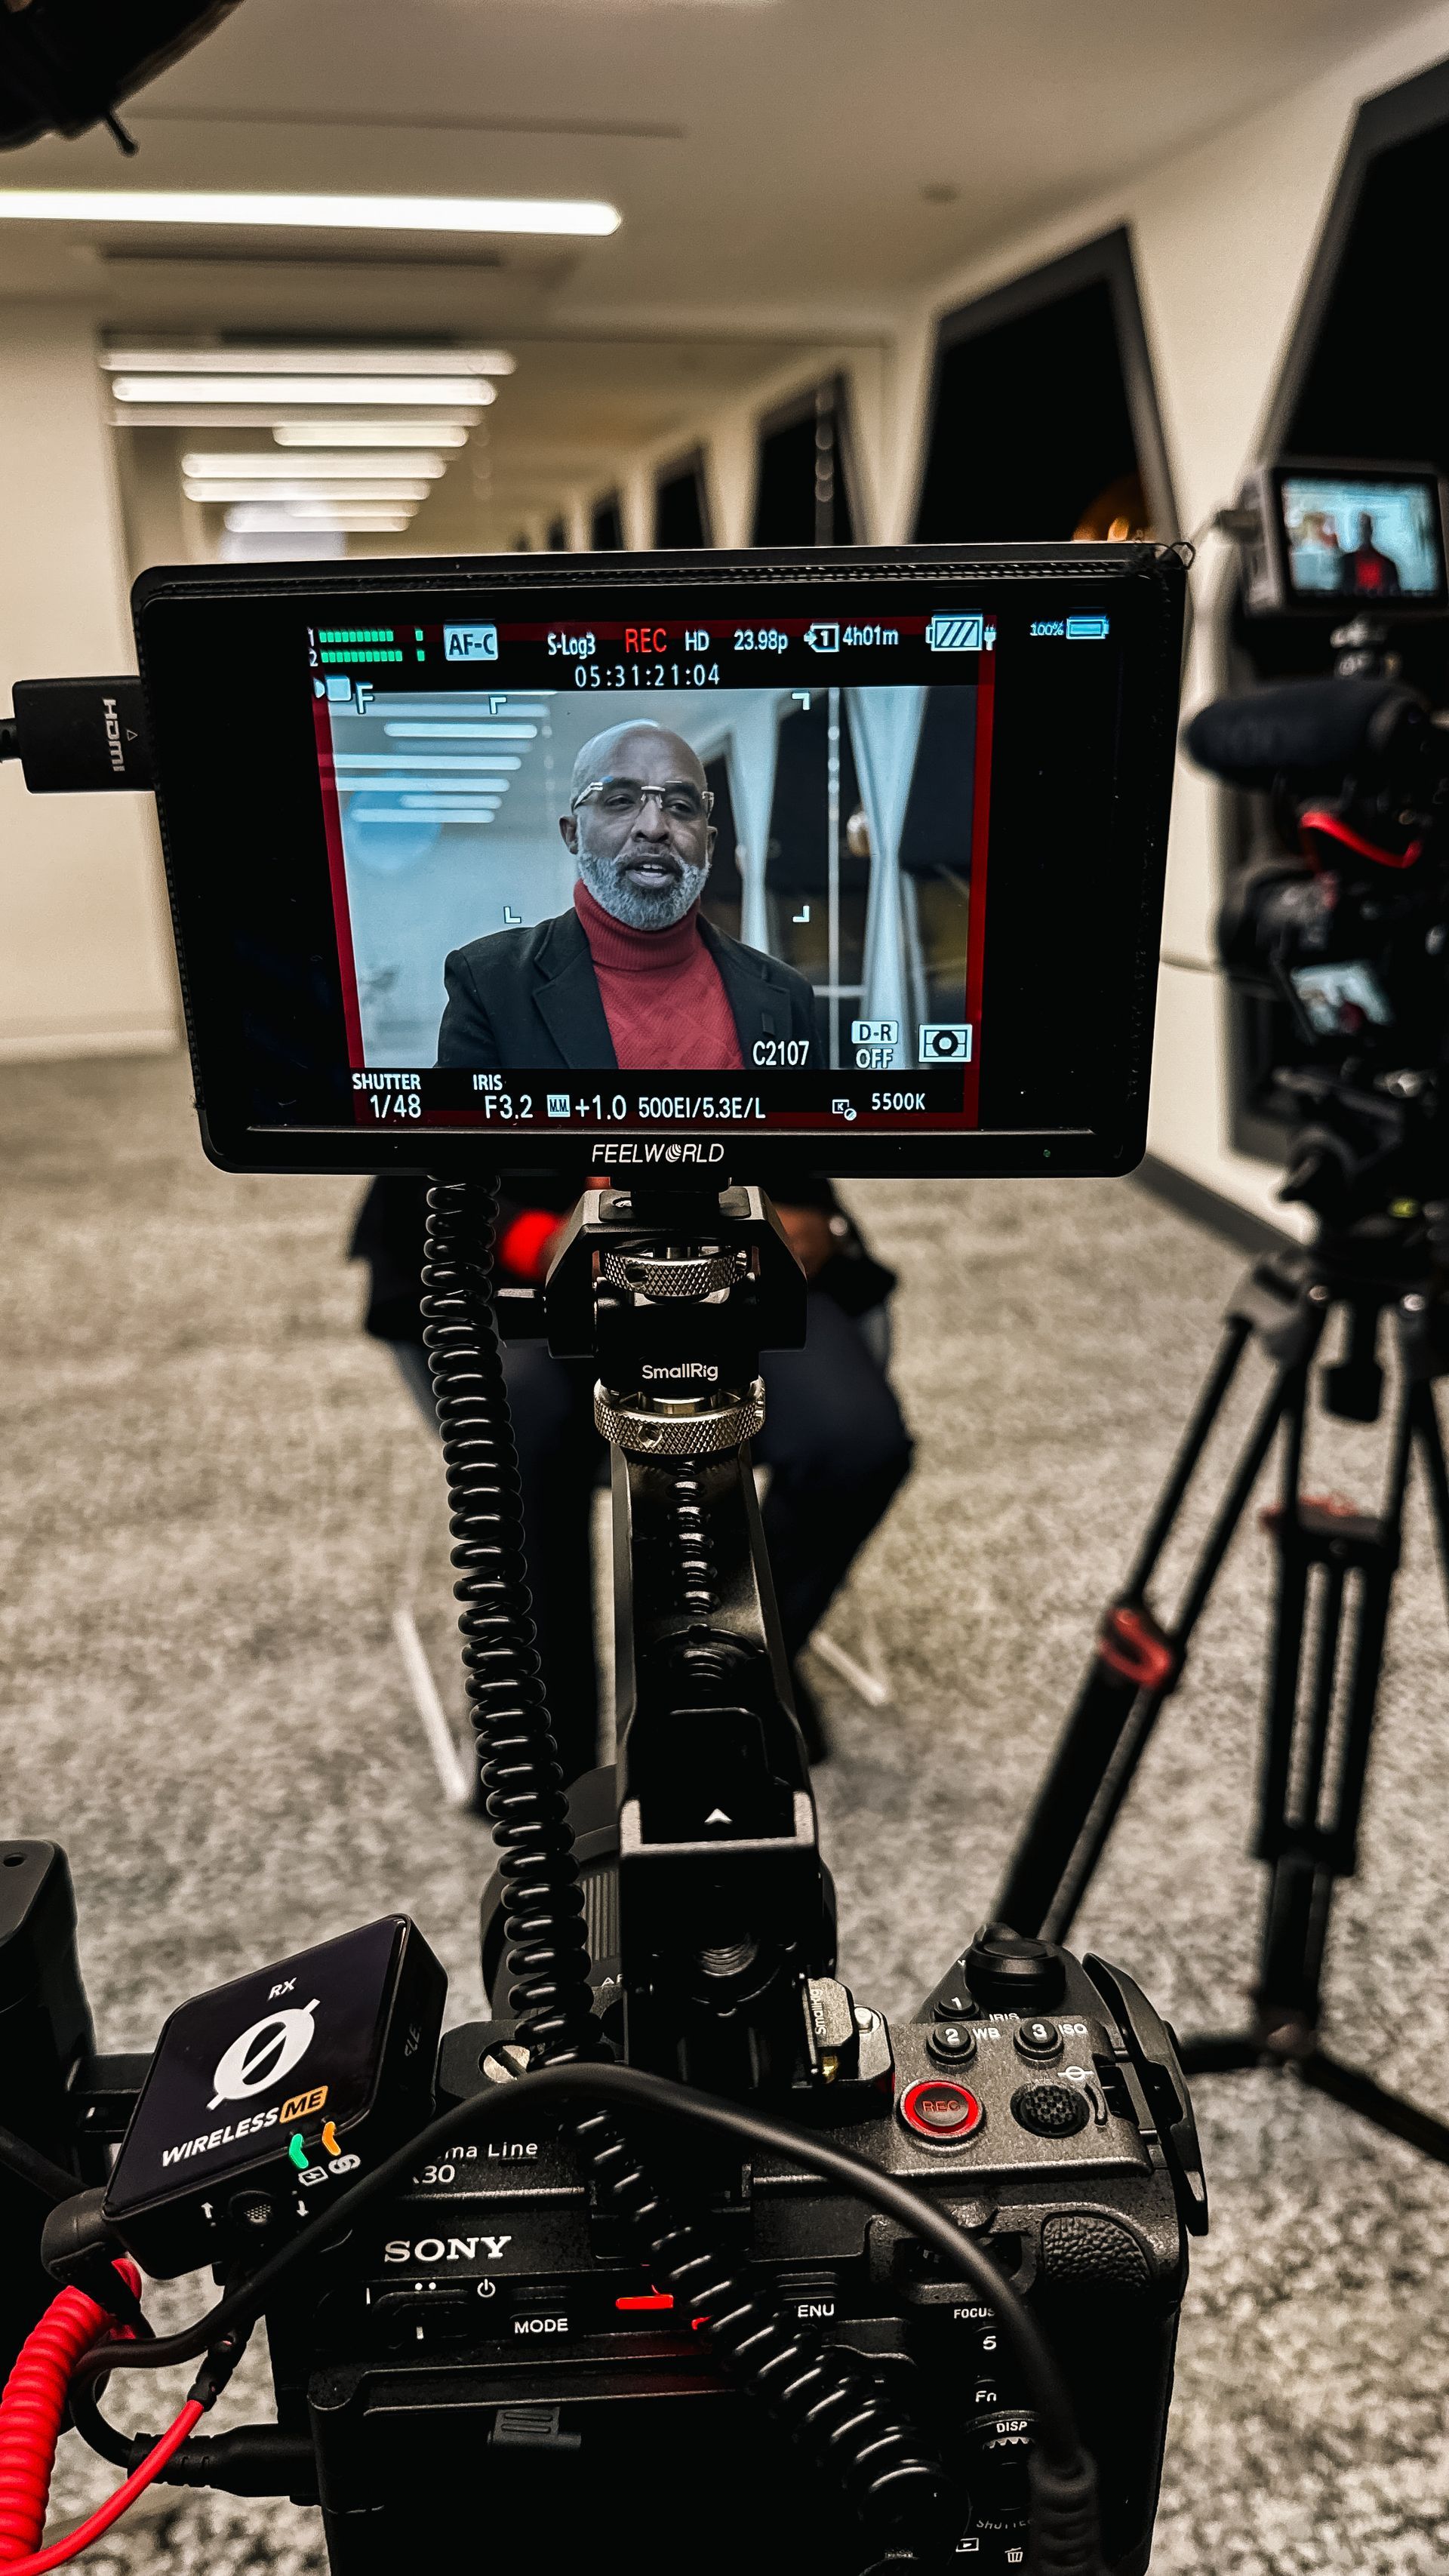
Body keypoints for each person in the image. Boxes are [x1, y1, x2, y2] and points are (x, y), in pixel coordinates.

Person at [352, 1170, 912, 1777]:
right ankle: (547, 1746)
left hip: (733, 1263)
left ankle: (728, 1666)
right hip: (522, 1267)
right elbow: (416, 1178)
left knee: (857, 1441)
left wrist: (814, 1227)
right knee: (515, 1422)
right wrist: (544, 1243)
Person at [435, 721, 818, 1070]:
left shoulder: (786, 994)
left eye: (681, 807)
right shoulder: (490, 985)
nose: (653, 828)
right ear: (573, 834)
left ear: (709, 845)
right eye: (620, 801)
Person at [1340, 511, 1401, 601]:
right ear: (1358, 530)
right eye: (1362, 526)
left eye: (1367, 527)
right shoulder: (1348, 561)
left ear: (1372, 530)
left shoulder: (1389, 564)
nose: (1364, 531)